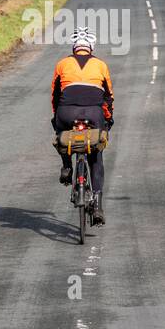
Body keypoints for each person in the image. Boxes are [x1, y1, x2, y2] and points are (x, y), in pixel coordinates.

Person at [51, 26, 114, 225]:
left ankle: (67, 167)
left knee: (62, 133)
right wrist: (108, 119)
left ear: (74, 47)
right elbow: (108, 97)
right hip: (93, 114)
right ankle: (97, 205)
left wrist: (57, 116)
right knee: (96, 155)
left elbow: (55, 95)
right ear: (91, 47)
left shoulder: (62, 64)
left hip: (66, 112)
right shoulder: (101, 65)